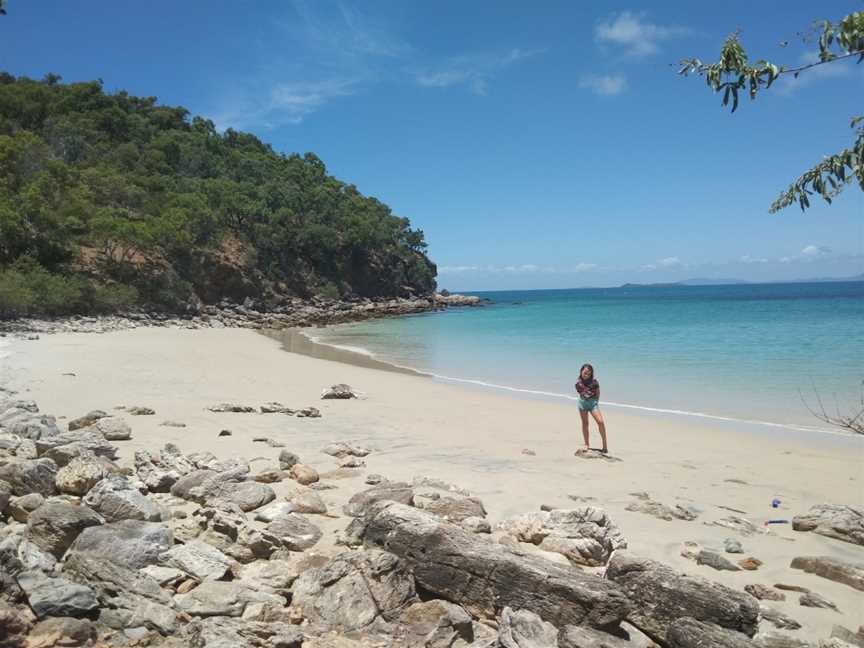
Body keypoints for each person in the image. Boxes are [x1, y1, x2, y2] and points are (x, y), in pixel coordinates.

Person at [575, 363, 608, 453]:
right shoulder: (578, 383)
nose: (586, 375)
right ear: (581, 371)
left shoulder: (594, 382)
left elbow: (597, 392)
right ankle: (586, 444)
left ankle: (605, 446)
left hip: (593, 404)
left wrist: (596, 402)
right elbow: (583, 393)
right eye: (585, 373)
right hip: (582, 404)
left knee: (600, 422)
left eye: (589, 374)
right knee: (585, 424)